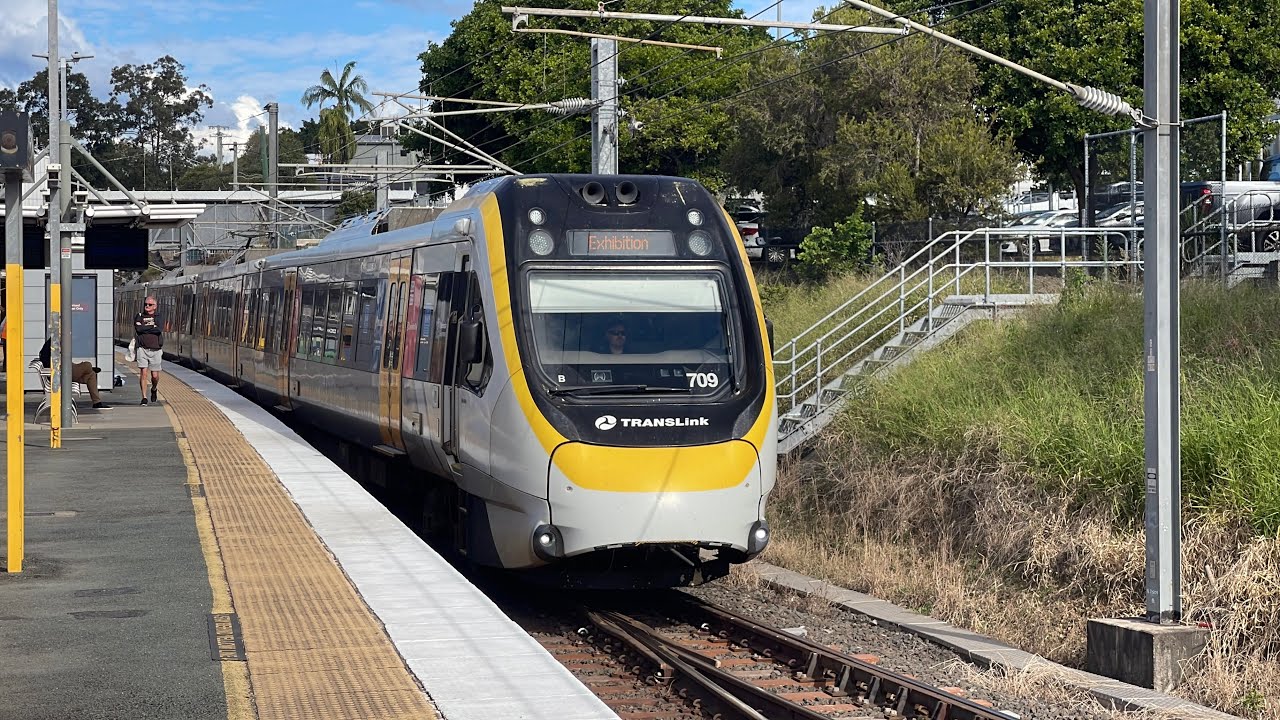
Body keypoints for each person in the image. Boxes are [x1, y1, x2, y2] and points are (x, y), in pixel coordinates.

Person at [38, 337, 108, 409]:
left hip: (64, 372)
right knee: (88, 365)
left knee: (91, 375)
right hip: (62, 374)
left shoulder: (52, 345)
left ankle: (97, 403)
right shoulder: (54, 345)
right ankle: (89, 369)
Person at [134, 296, 163, 405]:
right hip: (142, 348)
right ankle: (144, 398)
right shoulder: (139, 316)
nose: (147, 306)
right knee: (143, 373)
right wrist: (151, 326)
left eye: (150, 304)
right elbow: (138, 329)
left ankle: (154, 388)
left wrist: (144, 327)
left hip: (156, 349)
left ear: (155, 306)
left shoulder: (158, 317)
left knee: (155, 375)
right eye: (146, 304)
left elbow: (159, 329)